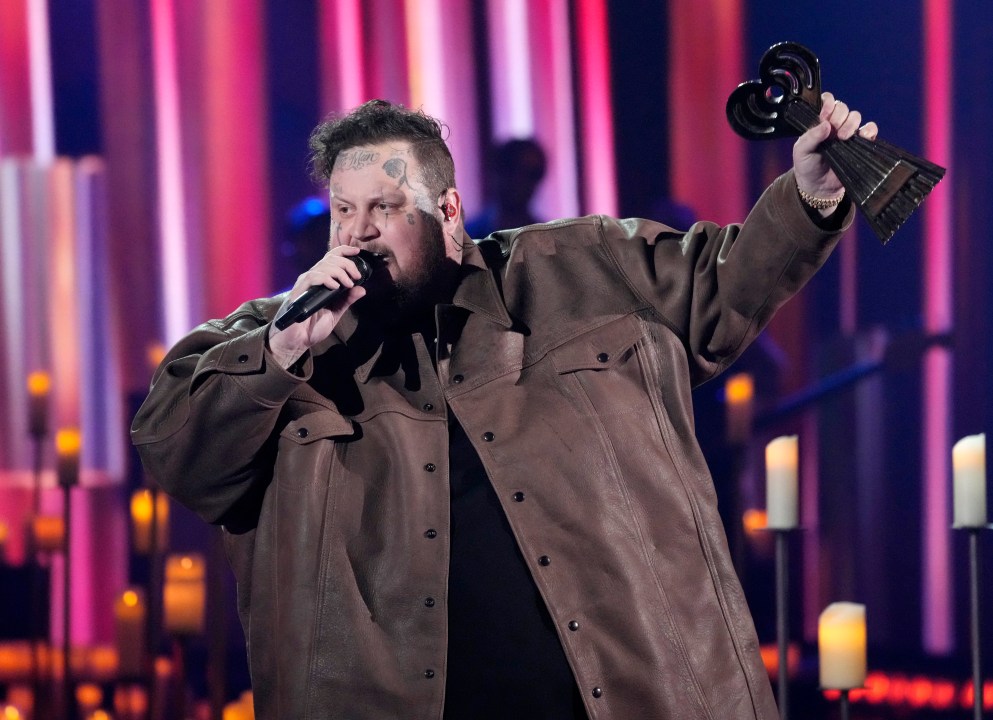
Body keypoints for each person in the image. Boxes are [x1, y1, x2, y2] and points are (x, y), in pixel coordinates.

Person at [132, 95, 876, 719]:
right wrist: (280, 350)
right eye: (344, 211)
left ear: (449, 210)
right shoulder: (279, 336)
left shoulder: (585, 268)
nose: (357, 233)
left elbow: (726, 282)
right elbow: (175, 451)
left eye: (385, 207)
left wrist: (809, 194)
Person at [465, 137, 547, 238]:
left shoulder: (547, 239)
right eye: (513, 170)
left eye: (530, 174)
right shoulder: (467, 235)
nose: (519, 181)